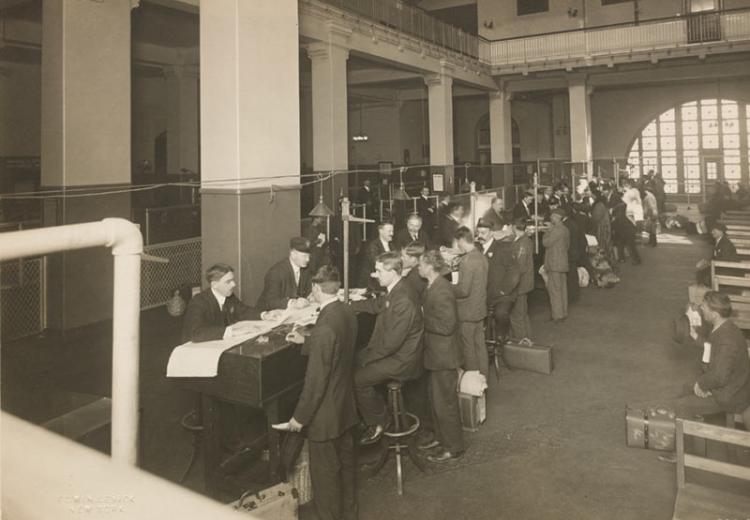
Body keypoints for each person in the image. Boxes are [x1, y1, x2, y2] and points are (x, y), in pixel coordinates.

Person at [285, 266, 359, 520]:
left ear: (317, 289)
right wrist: (307, 342)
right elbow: (337, 348)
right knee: (346, 471)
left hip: (325, 419)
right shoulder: (346, 311)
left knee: (325, 479)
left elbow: (315, 382)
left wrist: (299, 418)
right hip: (345, 408)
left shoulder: (324, 327)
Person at [351, 252, 424, 445]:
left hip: (402, 360)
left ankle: (379, 422)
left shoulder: (403, 299)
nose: (376, 274)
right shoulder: (398, 288)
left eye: (379, 270)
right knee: (354, 361)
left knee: (357, 380)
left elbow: (391, 343)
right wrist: (350, 305)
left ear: (393, 271)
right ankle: (369, 415)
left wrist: (367, 358)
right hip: (397, 353)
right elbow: (379, 304)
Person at [669, 291, 750, 426]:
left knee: (681, 405)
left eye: (704, 306)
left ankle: (691, 441)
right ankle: (696, 422)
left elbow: (719, 376)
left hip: (730, 395)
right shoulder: (724, 327)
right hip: (728, 385)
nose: (701, 308)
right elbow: (713, 347)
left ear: (714, 314)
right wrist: (695, 336)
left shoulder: (727, 340)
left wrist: (701, 385)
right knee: (684, 388)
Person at [416, 250, 464, 462]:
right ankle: (442, 438)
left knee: (445, 403)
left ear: (430, 266)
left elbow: (447, 325)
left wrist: (420, 320)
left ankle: (453, 447)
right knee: (436, 401)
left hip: (444, 356)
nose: (418, 267)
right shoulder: (432, 285)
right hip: (436, 354)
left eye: (420, 264)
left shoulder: (442, 290)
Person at [182, 263, 277, 342]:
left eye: (233, 280)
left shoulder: (228, 295)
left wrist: (264, 315)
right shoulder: (198, 302)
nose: (234, 284)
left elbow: (243, 311)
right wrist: (232, 331)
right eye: (228, 281)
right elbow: (196, 333)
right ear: (214, 285)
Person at [452, 226, 489, 376]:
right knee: (480, 346)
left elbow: (463, 291)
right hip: (479, 308)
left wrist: (448, 287)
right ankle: (484, 381)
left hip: (467, 312)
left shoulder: (466, 260)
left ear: (461, 240)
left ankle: (474, 386)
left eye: (458, 242)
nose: (458, 245)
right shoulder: (481, 256)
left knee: (468, 349)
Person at [476, 220, 519, 343]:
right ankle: (485, 342)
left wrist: (503, 290)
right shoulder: (478, 249)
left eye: (483, 233)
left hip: (503, 294)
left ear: (492, 233)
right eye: (478, 232)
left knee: (500, 314)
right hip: (487, 293)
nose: (480, 236)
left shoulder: (502, 248)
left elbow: (514, 273)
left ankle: (503, 337)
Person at [256, 237, 313, 311]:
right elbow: (270, 302)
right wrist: (293, 303)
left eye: (309, 256)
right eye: (304, 256)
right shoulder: (276, 272)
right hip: (268, 315)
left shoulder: (306, 270)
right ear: (293, 254)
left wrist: (311, 296)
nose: (307, 259)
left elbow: (307, 292)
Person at [542, 209, 570, 323]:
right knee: (562, 289)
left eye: (552, 217)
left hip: (554, 263)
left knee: (554, 290)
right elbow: (567, 246)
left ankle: (557, 315)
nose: (551, 218)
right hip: (562, 262)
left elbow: (545, 243)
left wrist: (546, 231)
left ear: (557, 217)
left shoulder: (555, 230)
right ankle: (563, 312)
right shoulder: (565, 229)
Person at [510, 218, 534, 343]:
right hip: (524, 283)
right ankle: (528, 339)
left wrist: (510, 284)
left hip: (520, 284)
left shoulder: (523, 243)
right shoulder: (524, 240)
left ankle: (521, 343)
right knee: (523, 314)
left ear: (514, 227)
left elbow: (520, 265)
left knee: (516, 316)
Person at [357, 221, 394, 290]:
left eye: (392, 231)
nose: (392, 233)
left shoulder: (392, 245)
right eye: (389, 231)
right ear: (381, 231)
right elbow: (377, 263)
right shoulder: (373, 246)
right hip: (372, 284)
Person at [562, 206, 587, 304]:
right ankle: (575, 295)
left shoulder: (565, 225)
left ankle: (571, 296)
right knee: (573, 275)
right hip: (576, 252)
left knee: (570, 275)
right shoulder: (573, 222)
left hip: (570, 252)